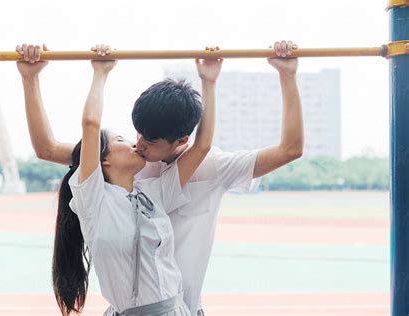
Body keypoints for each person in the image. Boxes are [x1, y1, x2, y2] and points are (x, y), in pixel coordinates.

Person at [16, 40, 303, 315]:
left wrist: (279, 75)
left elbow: (282, 149)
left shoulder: (185, 178)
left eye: (148, 141)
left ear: (180, 140)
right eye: (134, 134)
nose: (138, 144)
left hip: (183, 307)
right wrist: (31, 78)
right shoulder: (117, 174)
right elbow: (51, 146)